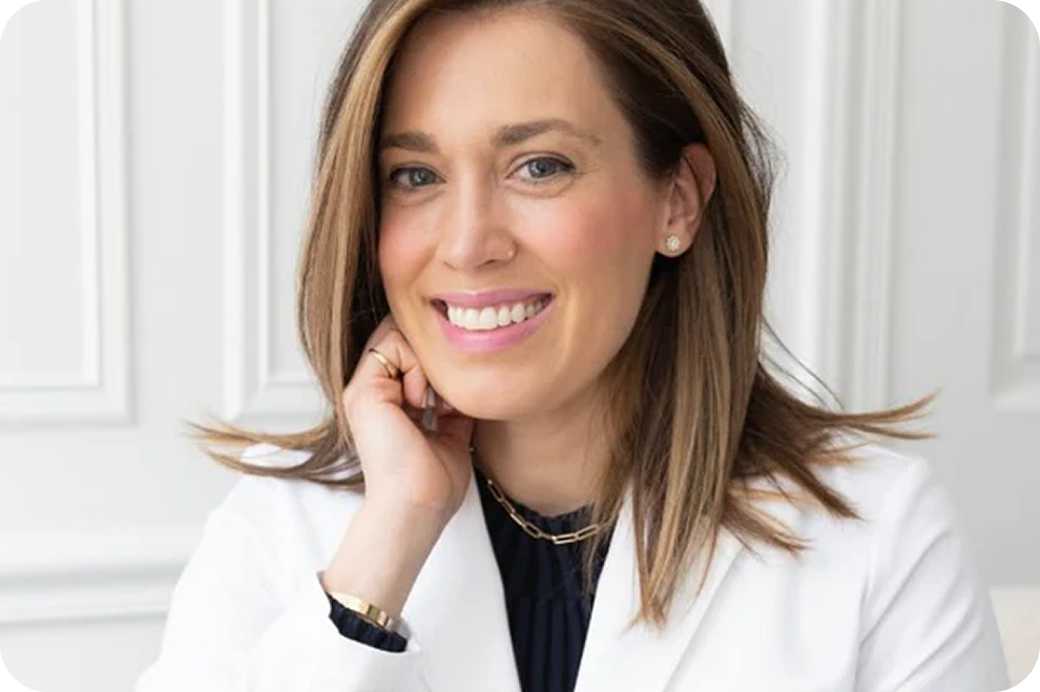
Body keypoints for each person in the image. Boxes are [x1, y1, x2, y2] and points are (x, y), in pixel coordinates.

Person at [136, 0, 1010, 690]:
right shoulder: (280, 528)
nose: (468, 243)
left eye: (540, 166)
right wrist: (389, 540)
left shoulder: (881, 537)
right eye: (416, 175)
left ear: (678, 200)